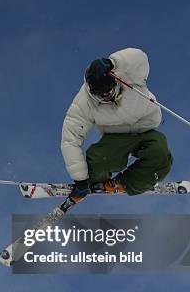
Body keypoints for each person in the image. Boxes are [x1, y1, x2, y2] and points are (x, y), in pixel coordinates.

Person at [61, 48, 173, 201]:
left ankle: (125, 182)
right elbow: (70, 139)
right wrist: (80, 179)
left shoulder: (128, 74)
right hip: (117, 137)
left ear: (114, 79)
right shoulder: (84, 102)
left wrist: (113, 62)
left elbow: (141, 58)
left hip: (145, 129)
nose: (107, 96)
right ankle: (95, 181)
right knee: (98, 160)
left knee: (160, 154)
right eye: (101, 95)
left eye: (109, 91)